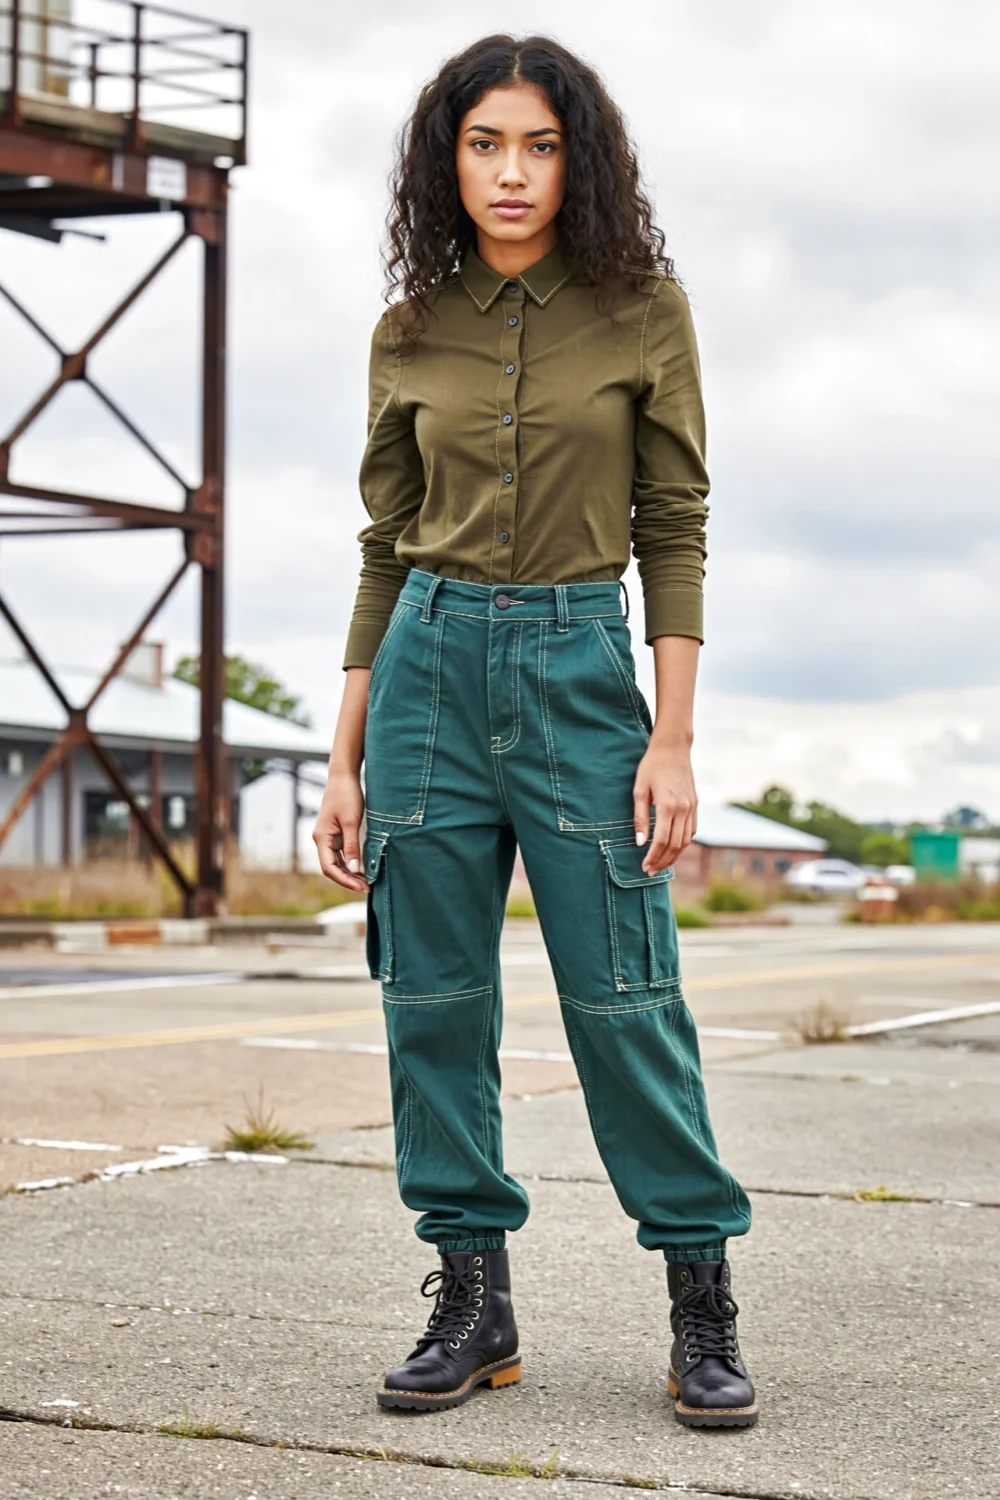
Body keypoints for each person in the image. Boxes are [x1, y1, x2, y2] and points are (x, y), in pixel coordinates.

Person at [313, 33, 757, 1429]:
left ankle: (701, 1298)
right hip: (426, 674)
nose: (513, 173)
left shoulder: (641, 311)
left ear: (582, 160)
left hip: (578, 667)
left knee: (625, 1001)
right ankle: (472, 1300)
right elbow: (385, 548)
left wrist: (670, 738)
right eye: (485, 145)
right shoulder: (409, 330)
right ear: (448, 161)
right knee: (432, 1005)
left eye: (541, 145)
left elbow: (673, 529)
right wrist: (342, 752)